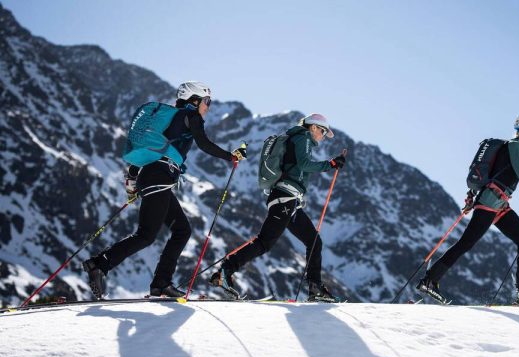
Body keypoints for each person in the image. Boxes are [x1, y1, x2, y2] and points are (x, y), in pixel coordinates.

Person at [82, 81, 247, 299]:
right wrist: (231, 156)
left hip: (153, 178)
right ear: (194, 100)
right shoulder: (191, 116)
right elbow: (204, 144)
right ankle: (99, 264)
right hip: (158, 179)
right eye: (207, 101)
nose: (208, 106)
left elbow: (150, 153)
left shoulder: (171, 121)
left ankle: (161, 284)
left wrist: (133, 179)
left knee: (182, 230)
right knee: (146, 235)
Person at [416, 114, 519, 305]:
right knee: (466, 243)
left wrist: (472, 195)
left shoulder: (516, 148)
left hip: (500, 204)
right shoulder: (514, 146)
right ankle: (429, 281)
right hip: (490, 202)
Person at [209, 113, 346, 302]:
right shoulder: (303, 137)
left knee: (314, 241)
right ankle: (226, 270)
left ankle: (315, 288)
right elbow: (304, 164)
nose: (323, 136)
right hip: (285, 198)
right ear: (313, 127)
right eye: (322, 131)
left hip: (289, 201)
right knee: (265, 242)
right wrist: (330, 164)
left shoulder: (297, 137)